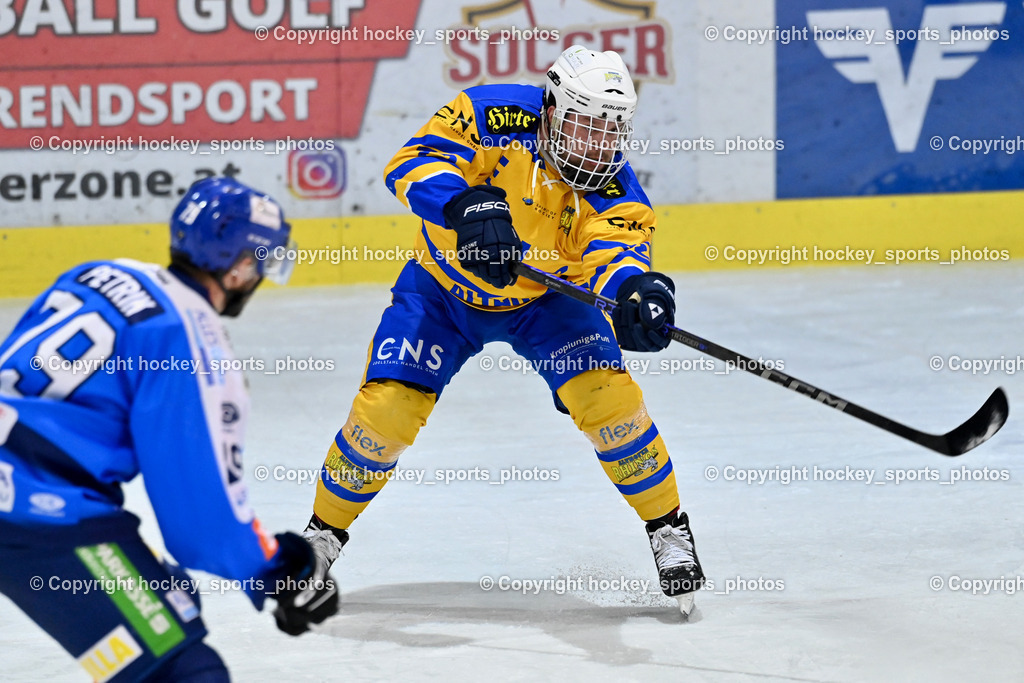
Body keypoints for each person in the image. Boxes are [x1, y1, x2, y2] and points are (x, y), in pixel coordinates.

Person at [304, 45, 705, 615]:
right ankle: (322, 535)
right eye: (585, 125)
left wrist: (634, 297)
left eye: (611, 130)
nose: (598, 145)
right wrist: (466, 205)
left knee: (611, 404)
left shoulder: (615, 188)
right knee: (386, 412)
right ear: (551, 108)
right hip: (441, 291)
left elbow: (616, 256)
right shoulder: (490, 114)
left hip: (546, 302)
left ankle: (668, 528)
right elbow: (409, 162)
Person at [0, 177, 338, 681]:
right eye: (260, 261)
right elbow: (202, 518)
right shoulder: (192, 340)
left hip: (21, 488)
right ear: (242, 264)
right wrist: (280, 570)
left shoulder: (97, 272)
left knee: (174, 594)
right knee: (184, 671)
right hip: (37, 509)